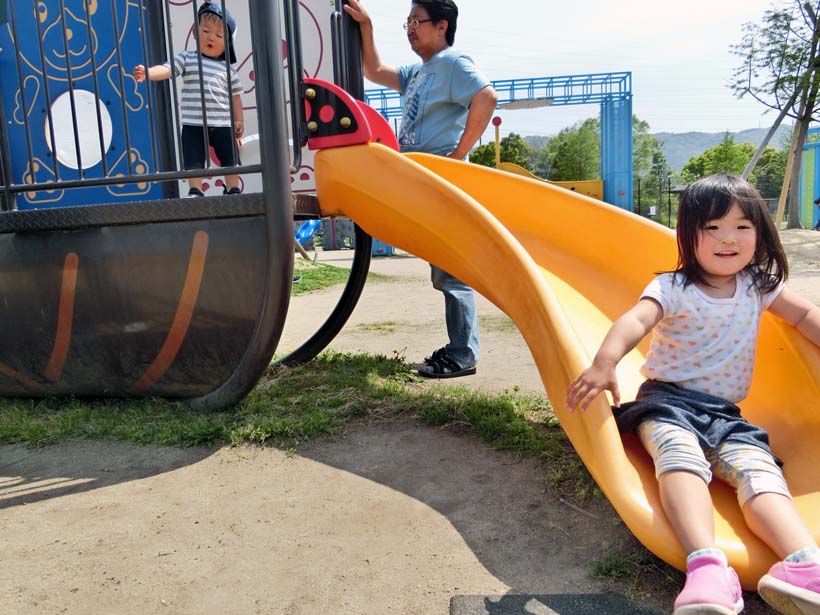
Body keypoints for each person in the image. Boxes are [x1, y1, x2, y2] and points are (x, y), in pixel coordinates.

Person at [566, 174, 820, 615]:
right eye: (712, 227)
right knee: (680, 458)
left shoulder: (758, 285)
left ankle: (802, 563)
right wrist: (605, 361)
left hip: (727, 415)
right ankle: (706, 564)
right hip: (667, 402)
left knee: (759, 472)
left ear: (759, 233)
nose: (728, 238)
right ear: (689, 234)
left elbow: (804, 315)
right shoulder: (672, 288)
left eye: (742, 226)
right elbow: (635, 321)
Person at [343, 0, 498, 379]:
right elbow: (374, 70)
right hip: (416, 177)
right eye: (407, 22)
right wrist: (367, 26)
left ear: (441, 25)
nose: (411, 28)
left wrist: (460, 153)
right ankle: (460, 348)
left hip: (439, 175)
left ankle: (462, 354)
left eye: (418, 21)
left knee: (450, 270)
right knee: (441, 266)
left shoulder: (453, 63)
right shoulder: (418, 71)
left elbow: (487, 96)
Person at [133, 2, 244, 197]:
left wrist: (239, 120)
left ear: (227, 43)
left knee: (230, 157)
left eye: (219, 36)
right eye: (206, 30)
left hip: (223, 123)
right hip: (194, 122)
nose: (211, 37)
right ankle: (195, 190)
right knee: (193, 158)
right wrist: (149, 73)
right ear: (195, 31)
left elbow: (235, 97)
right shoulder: (187, 58)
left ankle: (233, 188)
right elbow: (167, 69)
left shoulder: (228, 70)